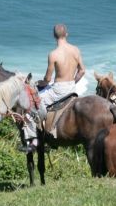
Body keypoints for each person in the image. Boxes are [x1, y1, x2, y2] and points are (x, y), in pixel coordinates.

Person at [21, 24, 87, 152]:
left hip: (58, 90)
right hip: (72, 88)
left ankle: (33, 143)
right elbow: (82, 71)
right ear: (66, 34)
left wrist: (39, 83)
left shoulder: (53, 54)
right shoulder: (76, 50)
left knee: (30, 109)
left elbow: (47, 80)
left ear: (53, 36)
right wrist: (73, 82)